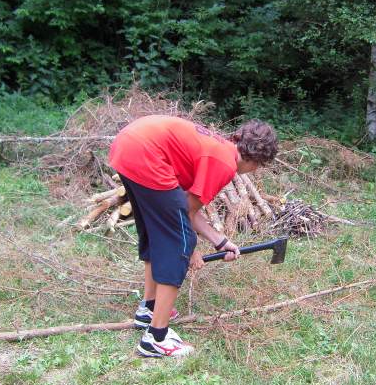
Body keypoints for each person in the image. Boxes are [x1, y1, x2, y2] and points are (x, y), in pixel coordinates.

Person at [108, 115, 278, 357]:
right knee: (179, 244)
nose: (255, 171)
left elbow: (185, 209)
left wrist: (220, 241)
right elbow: (184, 216)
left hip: (128, 145)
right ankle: (156, 338)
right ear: (257, 160)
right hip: (144, 152)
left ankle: (150, 308)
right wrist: (189, 249)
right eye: (259, 167)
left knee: (157, 233)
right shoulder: (224, 164)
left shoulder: (220, 149)